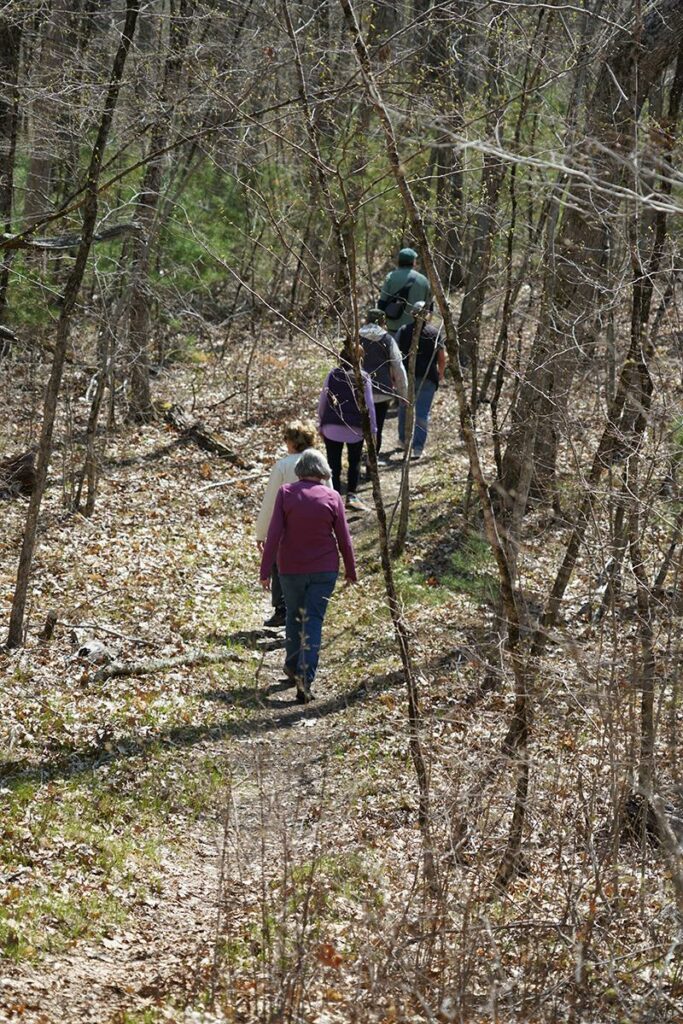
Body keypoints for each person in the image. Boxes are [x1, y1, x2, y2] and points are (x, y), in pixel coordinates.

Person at [259, 449, 357, 703]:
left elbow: (275, 532)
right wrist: (351, 570)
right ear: (323, 472)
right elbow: (344, 539)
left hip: (290, 568)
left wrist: (265, 570)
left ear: (301, 470)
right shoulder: (333, 497)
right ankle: (305, 677)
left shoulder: (287, 493)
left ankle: (292, 667)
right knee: (313, 620)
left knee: (294, 614)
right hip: (324, 569)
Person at [255, 419, 328, 627]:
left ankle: (282, 608)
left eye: (286, 439)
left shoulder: (283, 466)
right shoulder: (319, 461)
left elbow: (270, 501)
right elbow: (331, 493)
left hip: (287, 525)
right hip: (315, 524)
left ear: (293, 442)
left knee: (280, 564)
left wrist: (261, 533)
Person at [318, 348, 377, 512]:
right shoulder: (363, 377)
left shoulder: (332, 375)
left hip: (331, 427)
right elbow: (370, 406)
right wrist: (372, 430)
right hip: (356, 429)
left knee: (333, 464)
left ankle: (334, 497)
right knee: (354, 462)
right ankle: (352, 495)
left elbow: (323, 401)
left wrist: (320, 424)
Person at [395, 302, 446, 460]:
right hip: (428, 378)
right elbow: (441, 357)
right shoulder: (434, 333)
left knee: (404, 408)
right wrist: (441, 373)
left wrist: (394, 376)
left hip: (406, 378)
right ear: (427, 315)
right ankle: (417, 448)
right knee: (422, 413)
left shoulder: (403, 331)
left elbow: (395, 356)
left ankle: (403, 441)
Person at [359, 308, 407, 460]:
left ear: (366, 320)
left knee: (360, 427)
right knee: (377, 428)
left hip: (360, 390)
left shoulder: (356, 338)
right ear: (383, 322)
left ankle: (358, 460)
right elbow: (398, 367)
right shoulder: (388, 339)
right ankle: (371, 462)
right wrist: (403, 393)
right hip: (382, 390)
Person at [377, 247, 432, 337]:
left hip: (393, 329)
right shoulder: (423, 280)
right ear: (413, 262)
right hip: (415, 331)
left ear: (399, 261)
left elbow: (382, 304)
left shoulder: (390, 277)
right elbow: (429, 308)